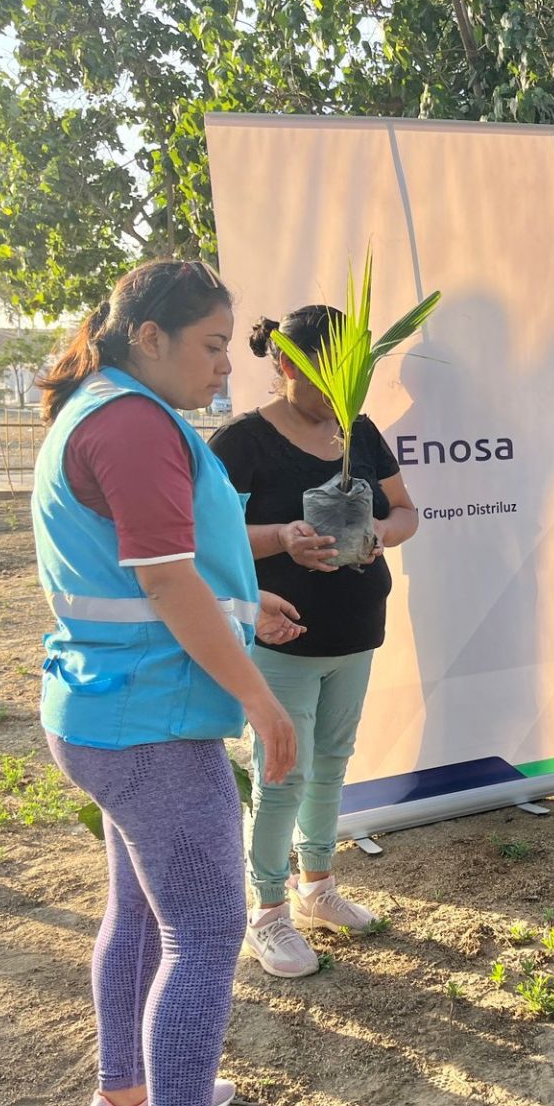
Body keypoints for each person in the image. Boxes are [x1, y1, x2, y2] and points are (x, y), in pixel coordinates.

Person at [32, 260, 303, 1106]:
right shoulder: (134, 425)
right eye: (214, 345)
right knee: (205, 936)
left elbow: (145, 568)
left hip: (110, 710)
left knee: (143, 916)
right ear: (150, 338)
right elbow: (163, 580)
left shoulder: (104, 408)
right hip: (150, 721)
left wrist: (244, 599)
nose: (228, 366)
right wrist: (261, 699)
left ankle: (125, 1098)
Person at [208, 307, 420, 979]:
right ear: (284, 364)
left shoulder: (359, 432)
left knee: (331, 762)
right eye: (322, 375)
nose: (337, 393)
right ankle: (266, 913)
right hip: (281, 635)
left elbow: (407, 510)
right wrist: (283, 537)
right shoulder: (242, 442)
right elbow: (203, 538)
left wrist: (382, 534)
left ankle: (317, 886)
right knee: (281, 774)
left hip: (356, 628)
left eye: (348, 376)